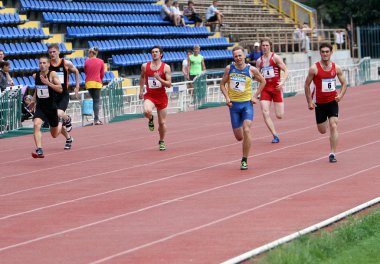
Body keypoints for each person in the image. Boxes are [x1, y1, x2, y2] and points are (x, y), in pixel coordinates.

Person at [219, 46, 266, 170]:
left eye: (240, 55)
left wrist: (255, 96)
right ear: (233, 57)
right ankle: (245, 142)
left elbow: (263, 81)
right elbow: (222, 84)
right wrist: (227, 98)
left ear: (244, 55)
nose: (238, 58)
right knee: (239, 137)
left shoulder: (252, 70)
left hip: (246, 105)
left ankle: (244, 159)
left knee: (246, 130)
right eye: (236, 56)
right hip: (233, 106)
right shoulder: (229, 69)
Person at [304, 43, 347, 163]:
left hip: (332, 101)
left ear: (331, 52)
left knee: (334, 125)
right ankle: (326, 121)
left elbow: (344, 83)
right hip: (319, 103)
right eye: (323, 52)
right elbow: (306, 85)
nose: (325, 54)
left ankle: (332, 153)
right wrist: (309, 102)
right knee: (322, 130)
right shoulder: (314, 68)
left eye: (327, 51)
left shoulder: (336, 68)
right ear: (320, 53)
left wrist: (341, 95)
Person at [28, 57, 64, 158]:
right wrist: (33, 100)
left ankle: (61, 122)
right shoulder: (36, 75)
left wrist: (48, 83)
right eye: (40, 63)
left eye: (44, 63)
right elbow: (37, 89)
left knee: (54, 135)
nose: (42, 65)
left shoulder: (52, 74)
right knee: (36, 124)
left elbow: (60, 89)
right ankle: (39, 149)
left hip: (51, 107)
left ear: (48, 64)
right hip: (40, 107)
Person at [139, 46, 172, 151]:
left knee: (162, 123)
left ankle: (162, 141)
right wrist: (140, 91)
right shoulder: (145, 66)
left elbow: (169, 84)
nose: (154, 53)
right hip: (150, 95)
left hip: (161, 97)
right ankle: (150, 118)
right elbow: (142, 77)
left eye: (156, 52)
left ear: (161, 54)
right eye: (152, 52)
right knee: (146, 111)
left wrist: (159, 79)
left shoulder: (166, 67)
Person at [256, 37, 289, 143]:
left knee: (279, 115)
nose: (265, 47)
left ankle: (280, 99)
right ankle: (275, 135)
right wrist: (257, 77)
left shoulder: (275, 58)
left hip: (276, 88)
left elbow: (285, 70)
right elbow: (257, 75)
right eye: (263, 45)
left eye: (267, 45)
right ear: (261, 47)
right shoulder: (259, 61)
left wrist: (282, 82)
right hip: (265, 89)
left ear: (270, 46)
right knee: (265, 112)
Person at [48, 43, 79, 150]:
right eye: (50, 52)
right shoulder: (47, 65)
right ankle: (69, 138)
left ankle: (67, 118)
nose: (52, 54)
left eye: (54, 51)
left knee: (59, 113)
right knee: (55, 129)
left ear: (58, 52)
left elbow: (76, 71)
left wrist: (77, 87)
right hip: (52, 96)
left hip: (63, 94)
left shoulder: (66, 63)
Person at [84, 47, 105, 125]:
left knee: (94, 100)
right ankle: (96, 119)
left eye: (89, 53)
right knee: (96, 101)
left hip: (88, 83)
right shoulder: (101, 61)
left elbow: (86, 72)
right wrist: (100, 80)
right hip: (97, 82)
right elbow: (102, 73)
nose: (88, 54)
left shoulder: (86, 62)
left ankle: (95, 118)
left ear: (91, 53)